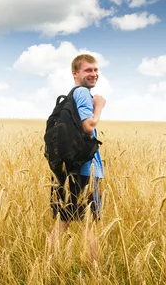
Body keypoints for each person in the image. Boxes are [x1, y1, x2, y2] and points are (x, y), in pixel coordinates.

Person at [47, 53, 106, 262]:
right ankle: (96, 271)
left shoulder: (72, 96)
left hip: (69, 170)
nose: (93, 74)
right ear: (75, 73)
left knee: (63, 222)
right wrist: (99, 106)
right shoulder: (82, 94)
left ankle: (47, 267)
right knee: (91, 224)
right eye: (88, 70)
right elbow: (88, 126)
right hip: (85, 172)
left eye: (96, 70)